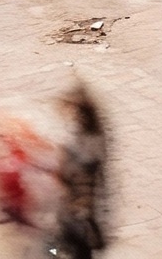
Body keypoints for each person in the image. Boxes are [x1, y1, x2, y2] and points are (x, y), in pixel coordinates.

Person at [54, 86, 112, 259]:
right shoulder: (95, 138)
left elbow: (69, 175)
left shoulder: (82, 147)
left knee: (54, 250)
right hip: (81, 216)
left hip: (77, 217)